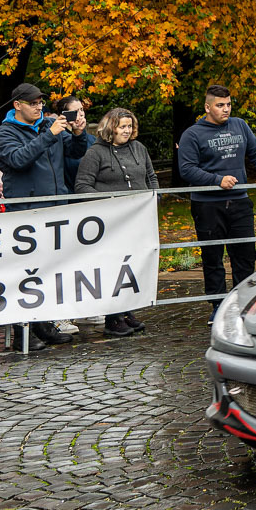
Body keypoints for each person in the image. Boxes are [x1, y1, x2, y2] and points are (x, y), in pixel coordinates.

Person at [0, 83, 86, 347]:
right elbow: (17, 160)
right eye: (33, 103)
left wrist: (78, 133)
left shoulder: (48, 125)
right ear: (17, 105)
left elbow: (75, 153)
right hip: (26, 212)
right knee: (25, 273)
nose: (38, 107)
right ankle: (22, 332)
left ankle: (45, 325)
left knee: (49, 270)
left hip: (55, 208)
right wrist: (49, 135)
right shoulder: (5, 132)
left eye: (40, 102)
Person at [177, 85, 256, 311]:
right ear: (207, 107)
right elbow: (186, 169)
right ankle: (217, 305)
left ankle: (242, 302)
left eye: (228, 104)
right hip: (207, 205)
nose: (226, 109)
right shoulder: (192, 134)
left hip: (239, 200)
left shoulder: (240, 125)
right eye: (220, 105)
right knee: (213, 257)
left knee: (245, 255)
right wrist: (217, 180)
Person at [75, 107, 157, 338]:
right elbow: (82, 185)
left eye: (129, 126)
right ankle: (113, 317)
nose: (127, 130)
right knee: (114, 267)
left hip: (138, 218)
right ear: (111, 127)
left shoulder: (139, 148)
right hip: (112, 222)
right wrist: (109, 203)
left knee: (133, 266)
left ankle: (127, 311)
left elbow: (151, 176)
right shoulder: (95, 153)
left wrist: (154, 198)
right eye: (122, 127)